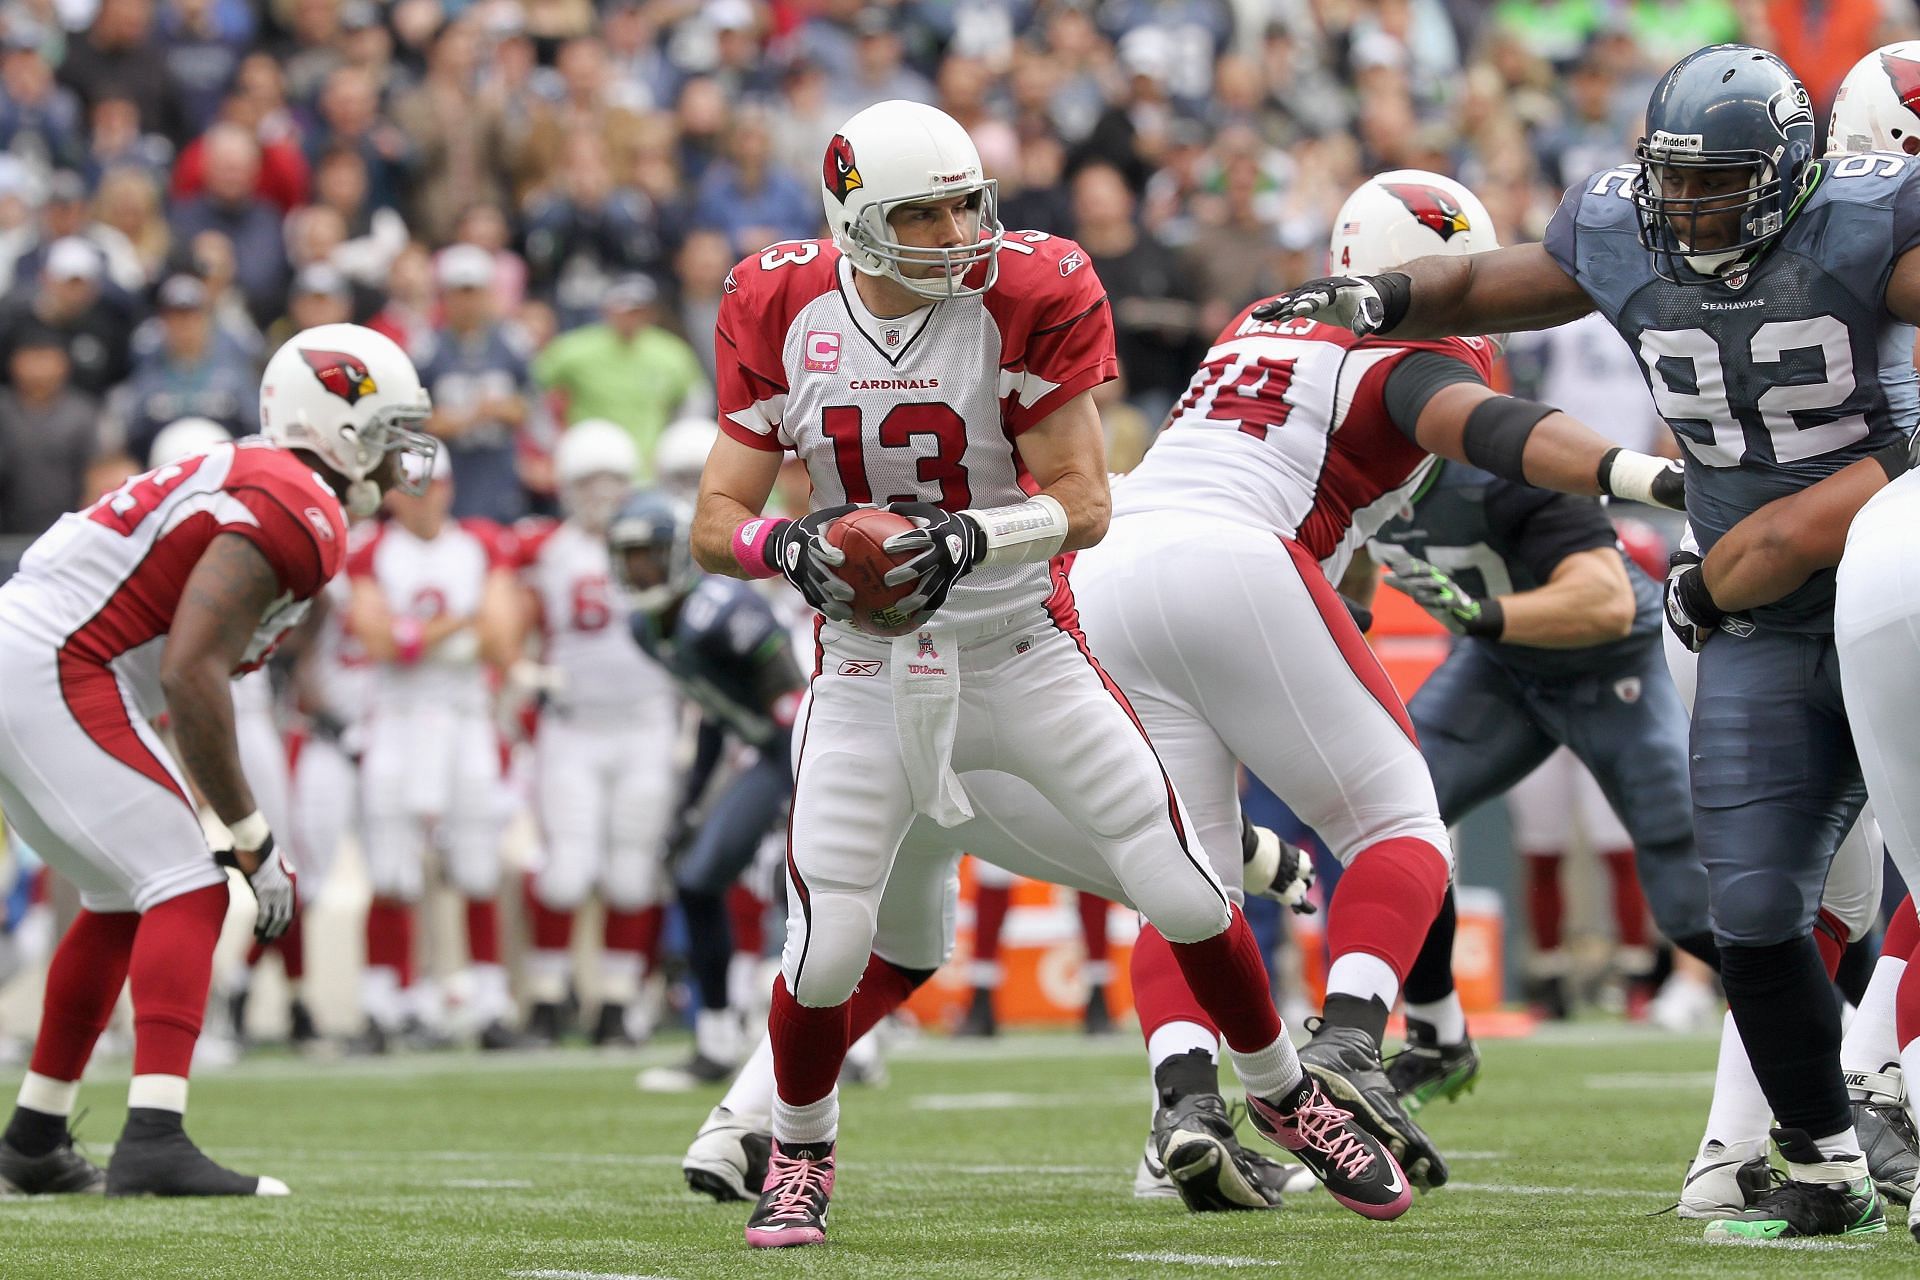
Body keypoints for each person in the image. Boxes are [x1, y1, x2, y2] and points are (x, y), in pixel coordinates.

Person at [692, 99, 1411, 1248]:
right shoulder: (777, 298)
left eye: (965, 203)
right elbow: (714, 517)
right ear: (853, 222)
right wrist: (788, 545)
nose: (954, 231)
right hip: (869, 666)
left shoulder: (1032, 286)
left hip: (1023, 645)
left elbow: (1086, 502)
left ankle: (1283, 1090)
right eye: (918, 215)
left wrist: (967, 536)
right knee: (827, 946)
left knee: (1183, 886)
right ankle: (799, 1153)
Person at [1261, 44, 1920, 1241]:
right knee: (1757, 910)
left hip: (1881, 576)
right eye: (1670, 179)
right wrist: (1385, 301)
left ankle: (1889, 1113)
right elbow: (1497, 282)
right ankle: (1826, 1161)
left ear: (1785, 176)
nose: (1685, 207)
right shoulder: (1622, 232)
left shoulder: (1866, 220)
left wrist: (1791, 533)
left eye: (1715, 183)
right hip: (1754, 622)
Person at [0, 322, 433, 1197]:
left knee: (125, 892)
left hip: (40, 658)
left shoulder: (262, 475)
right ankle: (154, 1137)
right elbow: (191, 668)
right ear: (339, 431)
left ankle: (35, 1138)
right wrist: (251, 835)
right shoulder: (295, 505)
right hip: (49, 664)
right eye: (388, 440)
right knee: (189, 885)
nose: (398, 469)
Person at [1356, 458, 1699, 1107]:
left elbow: (1607, 601)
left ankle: (1840, 1033)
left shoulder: (1503, 463)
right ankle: (1436, 1034)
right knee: (1394, 814)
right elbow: (1348, 568)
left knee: (1686, 886)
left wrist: (1482, 613)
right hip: (1502, 666)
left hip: (1614, 662)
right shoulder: (1356, 464)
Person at [605, 489, 803, 1097]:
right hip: (768, 753)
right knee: (696, 881)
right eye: (628, 556)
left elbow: (789, 695)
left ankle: (858, 1041)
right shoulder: (648, 628)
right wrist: (694, 800)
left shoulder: (718, 607)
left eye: (649, 554)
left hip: (802, 747)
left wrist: (800, 786)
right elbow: (716, 712)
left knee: (802, 892)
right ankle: (716, 1040)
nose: (639, 568)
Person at [344, 451, 521, 1052]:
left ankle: (490, 1004)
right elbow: (378, 641)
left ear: (449, 487)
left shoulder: (479, 544)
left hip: (465, 717)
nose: (423, 498)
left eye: (433, 486)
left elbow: (499, 641)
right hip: (394, 718)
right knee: (391, 866)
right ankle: (382, 1007)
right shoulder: (371, 549)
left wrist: (418, 634)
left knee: (476, 862)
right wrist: (458, 625)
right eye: (412, 488)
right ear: (393, 493)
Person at [513, 420, 678, 1047]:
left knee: (634, 871)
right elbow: (508, 612)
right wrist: (517, 669)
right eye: (589, 481)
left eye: (614, 480)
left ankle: (616, 1003)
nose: (603, 493)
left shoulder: (661, 539)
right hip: (574, 727)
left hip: (646, 724)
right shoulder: (546, 551)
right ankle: (548, 1000)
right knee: (566, 869)